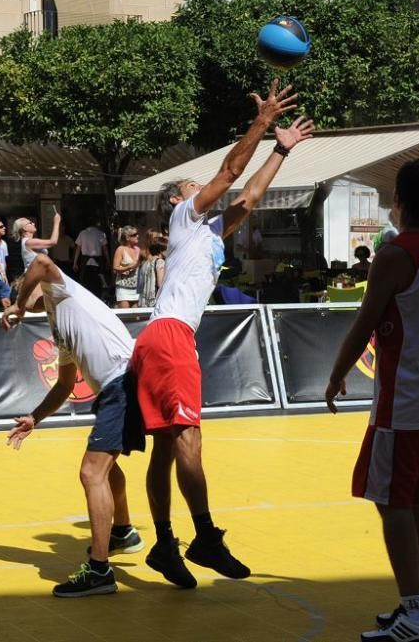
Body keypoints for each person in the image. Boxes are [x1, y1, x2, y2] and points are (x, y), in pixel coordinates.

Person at [131, 79, 313, 589]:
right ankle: (205, 536)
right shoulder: (185, 216)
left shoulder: (209, 235)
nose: (201, 186)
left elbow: (250, 196)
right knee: (188, 440)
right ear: (175, 200)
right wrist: (261, 121)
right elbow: (232, 172)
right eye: (192, 184)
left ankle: (165, 545)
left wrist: (281, 148)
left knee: (167, 448)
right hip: (168, 337)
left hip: (163, 338)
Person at [325, 160, 419, 642]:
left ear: (398, 199)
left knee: (391, 501)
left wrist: (337, 374)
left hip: (406, 395)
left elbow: (365, 322)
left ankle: (415, 614)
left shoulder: (397, 253)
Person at [1, 253, 145, 598]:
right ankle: (123, 532)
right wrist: (35, 417)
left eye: (27, 299)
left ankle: (99, 571)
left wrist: (19, 304)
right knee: (106, 469)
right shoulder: (56, 323)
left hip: (121, 381)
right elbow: (65, 385)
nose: (28, 311)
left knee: (90, 473)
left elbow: (41, 260)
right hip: (116, 387)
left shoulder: (60, 291)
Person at [74, 218, 110, 300]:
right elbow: (105, 250)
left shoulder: (82, 233)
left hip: (85, 262)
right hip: (97, 262)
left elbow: (78, 249)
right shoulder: (101, 234)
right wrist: (108, 261)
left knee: (84, 283)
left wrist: (75, 263)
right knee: (99, 283)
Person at [112, 226, 141, 308]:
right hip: (123, 288)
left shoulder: (138, 249)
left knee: (136, 316)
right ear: (128, 237)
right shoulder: (120, 249)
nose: (137, 236)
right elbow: (115, 268)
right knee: (125, 315)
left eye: (137, 234)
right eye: (135, 235)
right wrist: (129, 267)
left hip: (136, 288)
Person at [137, 233, 167, 309]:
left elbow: (140, 285)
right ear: (160, 250)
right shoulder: (160, 262)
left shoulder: (145, 263)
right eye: (167, 249)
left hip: (144, 302)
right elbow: (161, 284)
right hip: (155, 303)